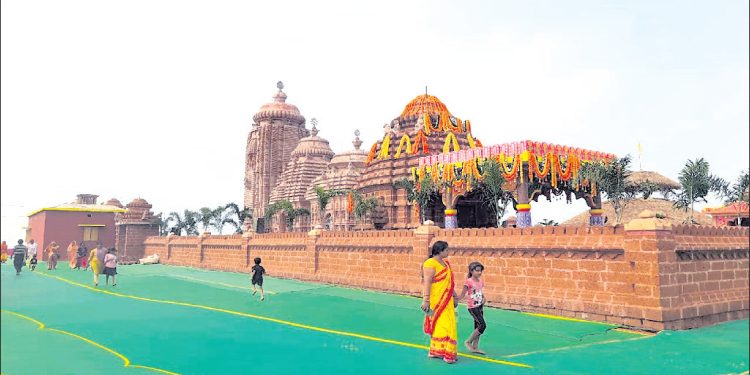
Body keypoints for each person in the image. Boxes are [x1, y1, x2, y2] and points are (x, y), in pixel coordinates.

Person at [420, 241, 458, 364]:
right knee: (443, 324)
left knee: (449, 324)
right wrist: (426, 300)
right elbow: (427, 282)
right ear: (440, 251)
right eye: (446, 250)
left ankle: (439, 351)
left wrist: (454, 295)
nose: (448, 252)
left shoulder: (446, 263)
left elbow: (449, 282)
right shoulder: (430, 263)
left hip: (447, 299)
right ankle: (446, 354)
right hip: (436, 300)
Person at [457, 262, 487, 354]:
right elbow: (462, 294)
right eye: (477, 270)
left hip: (480, 305)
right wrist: (455, 300)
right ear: (471, 271)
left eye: (480, 270)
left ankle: (475, 347)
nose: (479, 272)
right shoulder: (468, 282)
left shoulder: (480, 281)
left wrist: (484, 297)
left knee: (477, 327)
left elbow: (480, 291)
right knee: (482, 325)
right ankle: (468, 341)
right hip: (473, 307)